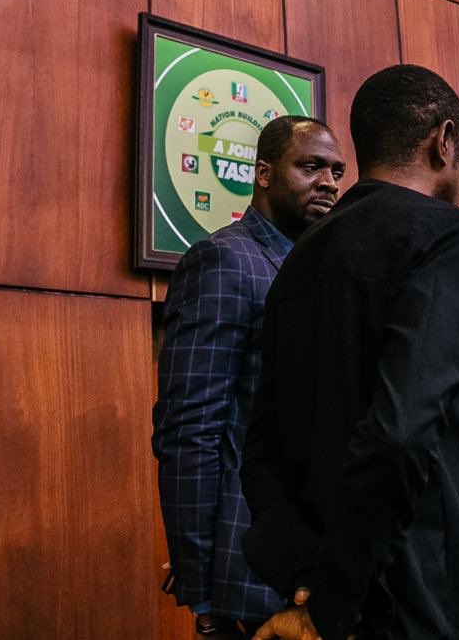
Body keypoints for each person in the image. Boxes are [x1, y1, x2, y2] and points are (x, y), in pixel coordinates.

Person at [240, 64, 459, 640]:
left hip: (324, 583)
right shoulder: (448, 234)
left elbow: (262, 442)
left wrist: (308, 582)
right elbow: (401, 432)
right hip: (428, 593)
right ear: (445, 142)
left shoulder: (300, 254)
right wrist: (331, 608)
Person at [153, 116, 346, 638]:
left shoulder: (315, 268)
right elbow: (189, 429)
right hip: (247, 563)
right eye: (311, 167)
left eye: (337, 171)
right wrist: (198, 582)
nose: (329, 182)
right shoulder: (225, 259)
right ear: (263, 173)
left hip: (311, 554)